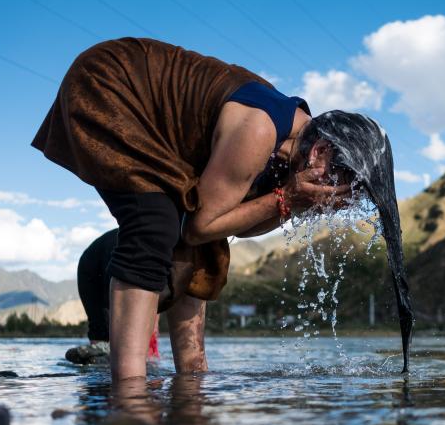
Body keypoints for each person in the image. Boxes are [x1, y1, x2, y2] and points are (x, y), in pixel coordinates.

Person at [32, 38, 370, 381]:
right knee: (154, 224)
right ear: (321, 153)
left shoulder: (288, 149)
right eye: (333, 185)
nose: (328, 198)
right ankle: (130, 392)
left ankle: (192, 379)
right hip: (111, 82)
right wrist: (287, 199)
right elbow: (201, 225)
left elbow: (235, 226)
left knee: (208, 252)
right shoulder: (259, 129)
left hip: (159, 128)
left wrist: (294, 205)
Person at [77, 228, 160, 363]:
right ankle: (102, 367)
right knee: (104, 328)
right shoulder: (149, 242)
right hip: (94, 265)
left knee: (104, 330)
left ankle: (103, 361)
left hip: (97, 258)